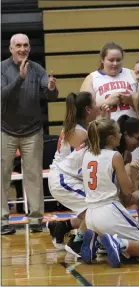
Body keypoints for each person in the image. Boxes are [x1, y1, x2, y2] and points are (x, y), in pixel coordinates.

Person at [1, 33, 58, 234]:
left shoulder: (37, 68)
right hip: (5, 130)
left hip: (33, 131)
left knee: (33, 175)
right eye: (18, 45)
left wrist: (51, 88)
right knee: (2, 176)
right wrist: (20, 79)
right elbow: (3, 96)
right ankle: (2, 221)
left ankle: (35, 219)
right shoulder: (2, 68)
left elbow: (51, 94)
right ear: (11, 48)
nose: (22, 49)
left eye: (25, 45)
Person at [80, 118, 139, 267]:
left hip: (89, 215)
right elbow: (128, 191)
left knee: (131, 248)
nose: (121, 135)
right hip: (109, 211)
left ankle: (96, 240)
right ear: (111, 138)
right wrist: (133, 172)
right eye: (118, 133)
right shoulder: (115, 156)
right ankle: (118, 243)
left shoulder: (87, 154)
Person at [47, 91, 97, 250]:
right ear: (88, 109)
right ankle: (78, 244)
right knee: (95, 209)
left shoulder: (80, 127)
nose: (99, 105)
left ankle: (63, 226)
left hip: (67, 177)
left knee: (97, 208)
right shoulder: (79, 133)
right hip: (63, 179)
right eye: (95, 103)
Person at [80, 42, 137, 121]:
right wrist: (107, 102)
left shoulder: (132, 74)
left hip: (132, 128)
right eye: (111, 60)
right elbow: (84, 110)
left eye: (118, 60)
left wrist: (132, 101)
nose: (115, 63)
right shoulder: (92, 78)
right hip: (105, 129)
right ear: (102, 60)